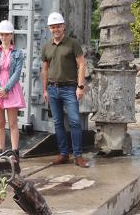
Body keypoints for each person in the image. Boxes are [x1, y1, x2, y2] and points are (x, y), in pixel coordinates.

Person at [42, 12, 90, 168]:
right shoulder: (46, 46)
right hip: (53, 89)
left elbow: (82, 64)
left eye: (58, 26)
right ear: (50, 28)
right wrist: (45, 90)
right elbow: (44, 69)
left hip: (69, 89)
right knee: (57, 123)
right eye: (53, 27)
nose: (55, 29)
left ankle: (78, 156)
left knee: (75, 122)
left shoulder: (73, 44)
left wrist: (80, 86)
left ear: (63, 27)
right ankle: (63, 154)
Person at [0, 20, 26, 168]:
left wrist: (6, 89)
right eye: (1, 34)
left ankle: (15, 152)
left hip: (11, 88)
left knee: (13, 123)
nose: (4, 37)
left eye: (6, 34)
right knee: (0, 123)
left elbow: (17, 73)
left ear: (11, 35)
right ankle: (1, 151)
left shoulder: (18, 53)